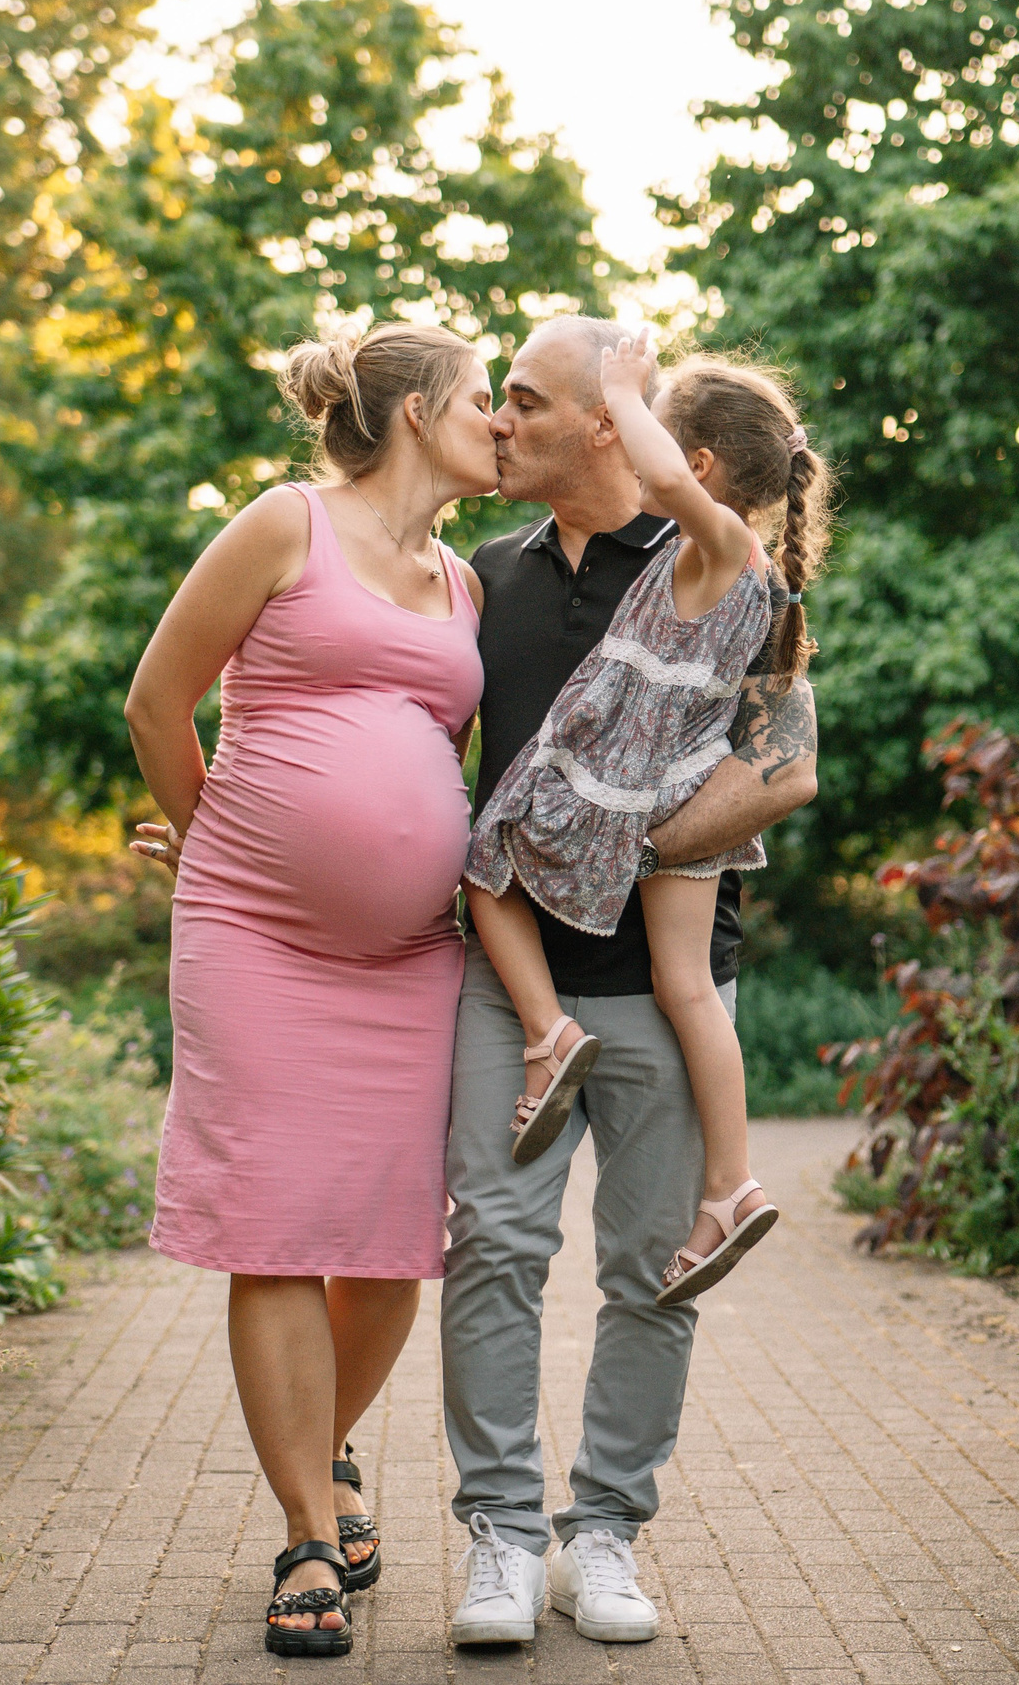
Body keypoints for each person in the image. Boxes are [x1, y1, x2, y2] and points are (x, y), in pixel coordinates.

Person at [442, 317, 822, 1648]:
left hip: (666, 981)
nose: (497, 422)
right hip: (512, 980)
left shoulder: (723, 565)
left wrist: (626, 845)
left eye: (525, 402)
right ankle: (500, 1530)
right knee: (491, 1241)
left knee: (656, 1271)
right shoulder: (483, 575)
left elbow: (787, 771)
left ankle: (602, 1528)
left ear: (609, 423)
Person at [122, 320, 495, 1659]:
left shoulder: (464, 582)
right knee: (278, 1223)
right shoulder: (285, 524)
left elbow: (442, 755)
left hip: (408, 960)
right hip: (255, 938)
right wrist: (218, 835)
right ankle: (304, 1528)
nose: (499, 422)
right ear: (413, 416)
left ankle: (325, 1447)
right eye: (482, 400)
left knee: (393, 1230)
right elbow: (157, 700)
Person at [462, 334, 831, 1307]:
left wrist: (621, 388)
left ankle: (548, 1041)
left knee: (483, 862)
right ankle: (732, 1185)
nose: (636, 441)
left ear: (696, 467)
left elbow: (791, 762)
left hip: (641, 798)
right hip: (679, 795)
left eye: (648, 429)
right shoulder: (752, 569)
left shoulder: (712, 548)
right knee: (689, 991)